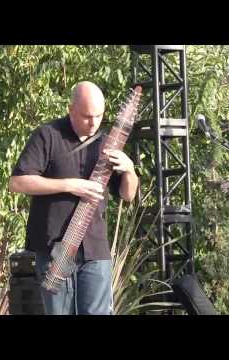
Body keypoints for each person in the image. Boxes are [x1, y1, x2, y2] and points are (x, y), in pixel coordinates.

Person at [9, 81, 138, 315]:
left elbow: (128, 195)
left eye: (99, 116)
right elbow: (18, 182)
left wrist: (129, 169)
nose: (93, 122)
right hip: (54, 249)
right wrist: (70, 185)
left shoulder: (106, 144)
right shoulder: (47, 136)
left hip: (95, 250)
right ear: (71, 109)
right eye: (87, 116)